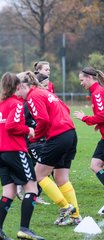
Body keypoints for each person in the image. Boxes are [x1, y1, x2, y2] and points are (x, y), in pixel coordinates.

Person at [0, 72, 44, 240]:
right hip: (15, 152)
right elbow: (12, 126)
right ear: (17, 86)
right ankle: (24, 229)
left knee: (8, 192)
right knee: (31, 188)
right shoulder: (16, 104)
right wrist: (28, 130)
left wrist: (0, 134)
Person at [17, 71, 81, 226]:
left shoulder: (33, 96)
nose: (16, 94)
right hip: (70, 134)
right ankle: (76, 216)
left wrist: (35, 137)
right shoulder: (44, 92)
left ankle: (65, 207)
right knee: (61, 177)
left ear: (22, 86)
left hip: (58, 137)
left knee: (38, 174)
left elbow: (43, 119)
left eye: (16, 89)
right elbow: (65, 108)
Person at [73, 67, 104, 216]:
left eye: (82, 80)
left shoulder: (97, 93)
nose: (81, 83)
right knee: (96, 164)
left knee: (96, 165)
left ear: (90, 78)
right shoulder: (97, 92)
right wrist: (98, 125)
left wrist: (85, 118)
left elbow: (102, 115)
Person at [16, 73, 50, 205]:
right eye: (44, 83)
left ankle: (30, 191)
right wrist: (32, 134)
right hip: (33, 141)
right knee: (39, 168)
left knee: (43, 169)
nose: (46, 86)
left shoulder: (38, 96)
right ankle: (28, 190)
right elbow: (19, 121)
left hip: (41, 139)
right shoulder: (29, 101)